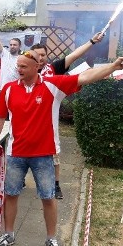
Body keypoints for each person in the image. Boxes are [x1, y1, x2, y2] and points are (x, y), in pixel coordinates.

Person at [0, 49, 123, 246]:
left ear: (37, 67)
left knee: (48, 197)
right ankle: (8, 234)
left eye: (24, 66)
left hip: (44, 155)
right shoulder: (8, 89)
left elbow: (85, 77)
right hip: (15, 153)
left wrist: (113, 67)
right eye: (18, 66)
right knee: (10, 194)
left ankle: (51, 238)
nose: (19, 69)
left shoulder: (53, 85)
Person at [31, 32, 103, 199]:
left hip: (48, 118)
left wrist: (91, 41)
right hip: (29, 117)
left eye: (43, 55)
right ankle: (21, 179)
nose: (40, 58)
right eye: (37, 55)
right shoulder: (26, 71)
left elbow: (75, 54)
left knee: (54, 152)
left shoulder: (53, 68)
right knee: (26, 151)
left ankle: (56, 184)